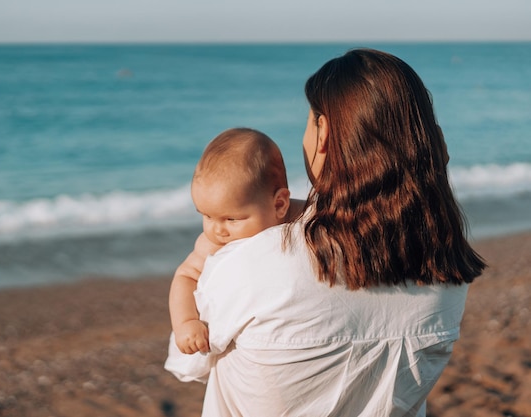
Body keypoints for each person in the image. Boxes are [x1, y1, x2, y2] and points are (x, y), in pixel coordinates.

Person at [165, 48, 486, 416]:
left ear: (323, 134)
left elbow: (188, 362)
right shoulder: (446, 269)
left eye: (308, 121)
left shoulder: (253, 263)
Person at [168, 127, 294, 357]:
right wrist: (185, 322)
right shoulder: (211, 244)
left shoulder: (299, 216)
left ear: (279, 205)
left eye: (231, 219)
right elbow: (185, 276)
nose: (217, 230)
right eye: (206, 216)